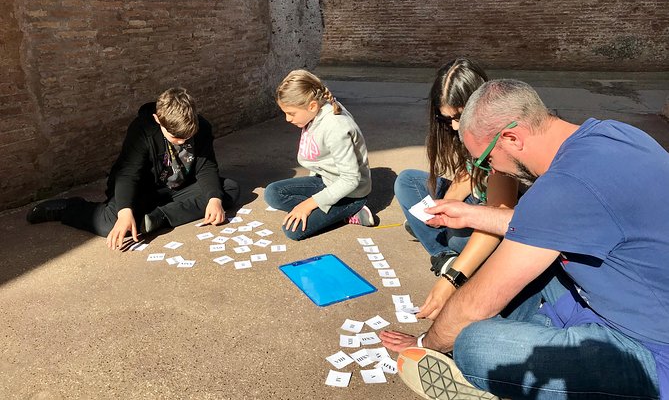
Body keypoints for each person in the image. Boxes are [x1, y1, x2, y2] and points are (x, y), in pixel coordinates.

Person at [381, 79, 668, 399]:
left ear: (511, 138)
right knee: (515, 270)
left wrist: (426, 345)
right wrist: (474, 214)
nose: (488, 169)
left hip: (650, 352)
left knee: (473, 345)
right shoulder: (612, 133)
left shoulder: (562, 188)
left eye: (485, 160)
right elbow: (554, 221)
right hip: (609, 296)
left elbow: (477, 302)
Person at [27, 87, 240, 250]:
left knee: (227, 190)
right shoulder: (142, 130)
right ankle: (68, 209)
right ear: (158, 120)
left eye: (188, 137)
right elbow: (128, 173)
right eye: (176, 138)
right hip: (142, 189)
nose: (183, 143)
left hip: (178, 188)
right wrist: (125, 211)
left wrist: (213, 199)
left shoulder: (202, 128)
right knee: (111, 225)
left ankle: (158, 218)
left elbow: (206, 166)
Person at [394, 59, 518, 320]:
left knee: (457, 237)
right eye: (446, 118)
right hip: (477, 197)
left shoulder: (502, 148)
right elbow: (467, 171)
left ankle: (448, 252)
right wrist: (446, 203)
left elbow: (497, 216)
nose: (452, 127)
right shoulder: (461, 132)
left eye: (458, 117)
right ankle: (444, 250)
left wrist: (452, 278)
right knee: (407, 181)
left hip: (494, 219)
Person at [264, 69, 373, 241]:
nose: (287, 119)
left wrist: (308, 205)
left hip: (350, 194)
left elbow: (351, 180)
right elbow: (320, 159)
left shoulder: (336, 126)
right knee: (272, 193)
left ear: (312, 106)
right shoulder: (312, 114)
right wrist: (312, 201)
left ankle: (353, 211)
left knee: (293, 230)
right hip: (326, 181)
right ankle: (329, 210)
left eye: (291, 113)